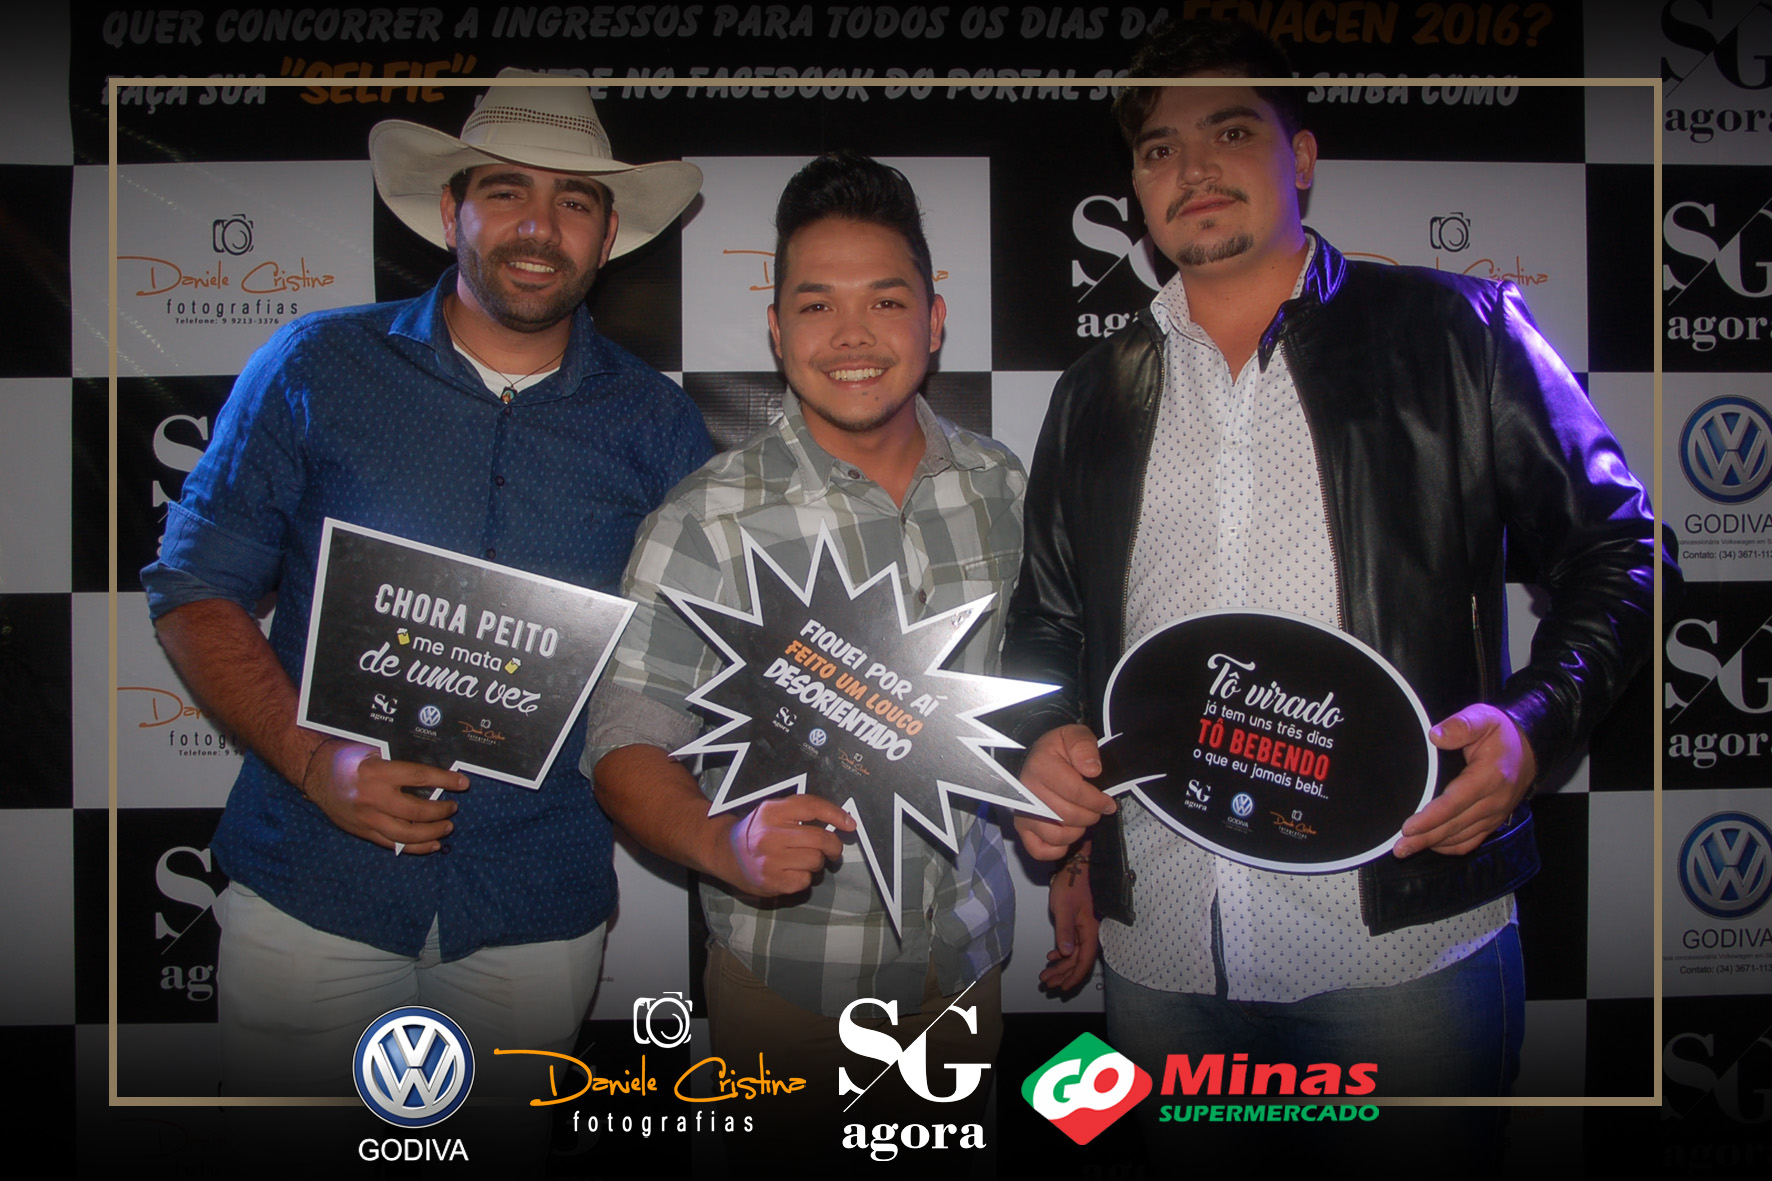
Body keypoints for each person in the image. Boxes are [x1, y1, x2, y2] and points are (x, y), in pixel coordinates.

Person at [1002, 18, 1664, 1149]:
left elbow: (1623, 550)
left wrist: (1531, 724)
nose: (1192, 168)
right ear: (1136, 188)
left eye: (1229, 132)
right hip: (1163, 948)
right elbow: (1050, 624)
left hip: (1403, 948)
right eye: (1158, 149)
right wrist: (1042, 738)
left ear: (1300, 156)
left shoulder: (1459, 332)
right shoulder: (1091, 392)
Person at [141, 72, 713, 1120]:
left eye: (574, 201)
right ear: (452, 212)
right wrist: (313, 760)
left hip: (534, 900)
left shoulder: (657, 425)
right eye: (505, 190)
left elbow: (680, 657)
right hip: (311, 885)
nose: (539, 225)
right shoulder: (316, 364)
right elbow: (193, 586)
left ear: (605, 235)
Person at [585, 151, 1023, 1162]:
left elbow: (1025, 701)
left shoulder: (998, 485)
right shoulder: (706, 517)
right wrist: (720, 842)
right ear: (777, 330)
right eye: (817, 304)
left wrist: (1072, 860)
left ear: (933, 320)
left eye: (885, 301)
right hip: (790, 988)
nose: (853, 334)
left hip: (964, 969)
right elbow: (624, 733)